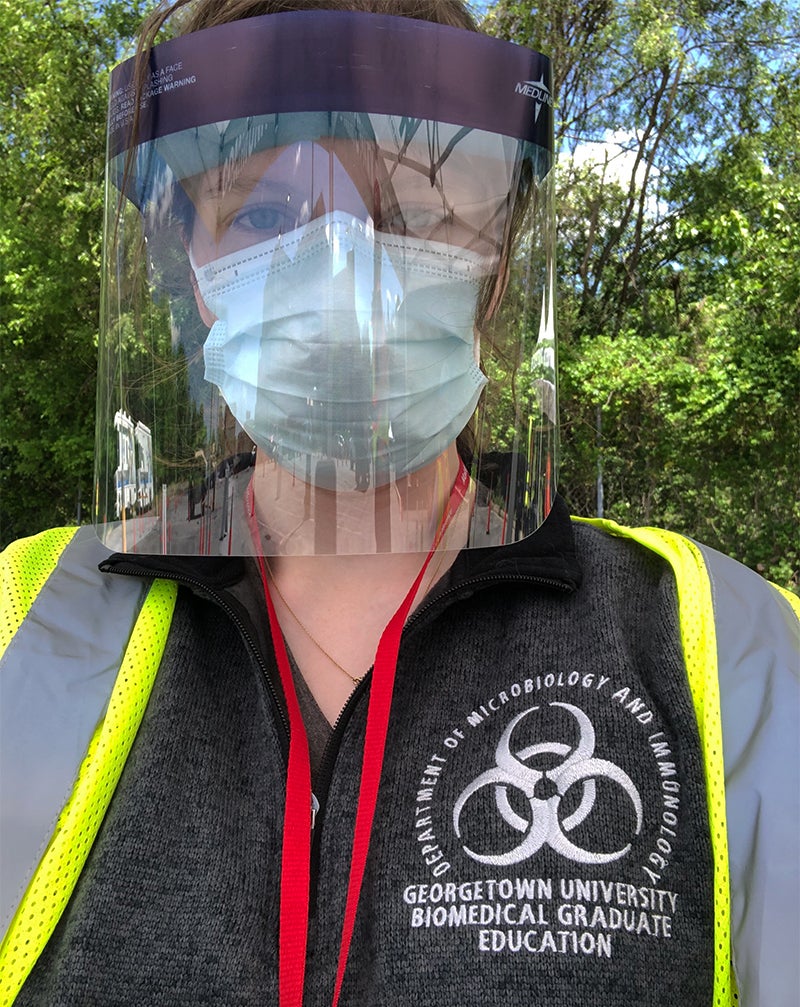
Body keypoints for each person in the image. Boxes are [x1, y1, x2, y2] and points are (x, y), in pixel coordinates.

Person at [0, 1, 797, 1004]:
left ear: (495, 263)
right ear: (196, 271)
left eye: (415, 213)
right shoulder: (27, 626)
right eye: (261, 213)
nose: (343, 273)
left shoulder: (727, 650)